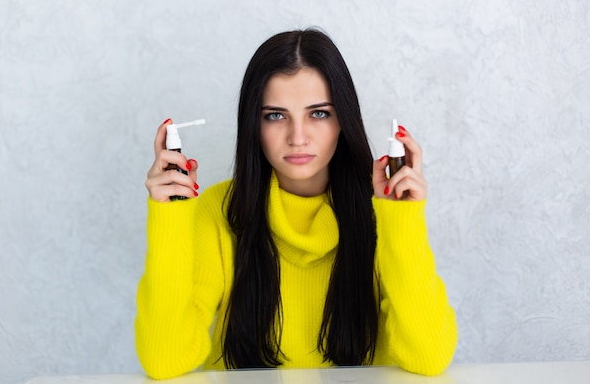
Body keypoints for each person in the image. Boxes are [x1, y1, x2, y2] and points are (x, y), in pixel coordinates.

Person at [136, 29, 458, 380]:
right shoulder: (218, 210)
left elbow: (429, 357)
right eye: (275, 115)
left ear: (343, 121)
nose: (298, 137)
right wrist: (169, 217)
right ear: (253, 125)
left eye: (318, 113)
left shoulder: (380, 211)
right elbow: (164, 362)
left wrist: (402, 219)